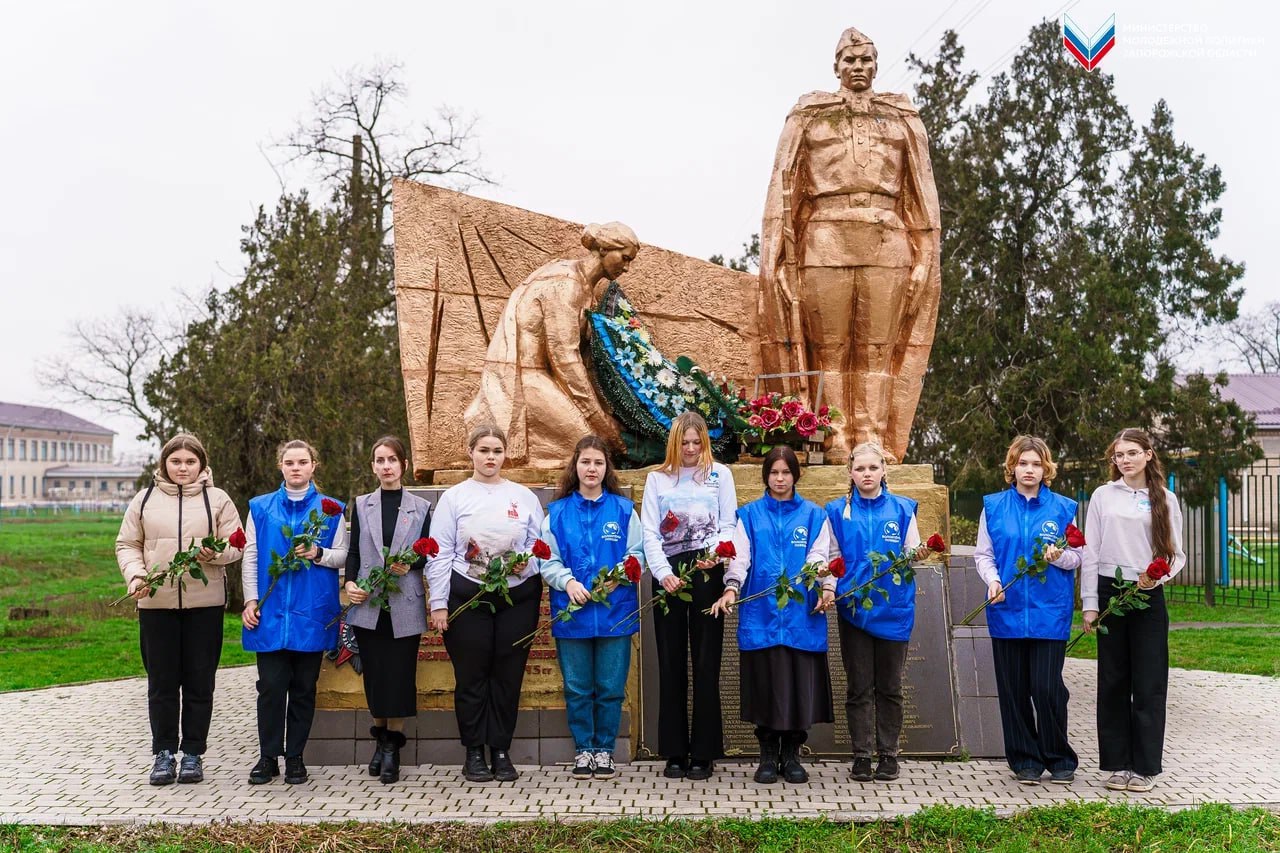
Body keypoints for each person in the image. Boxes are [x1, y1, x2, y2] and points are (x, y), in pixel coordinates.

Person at [758, 26, 941, 462]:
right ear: (836, 66)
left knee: (877, 351)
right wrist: (778, 262)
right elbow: (780, 192)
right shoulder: (809, 115)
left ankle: (873, 437)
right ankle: (834, 434)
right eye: (849, 60)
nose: (858, 67)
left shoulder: (901, 120)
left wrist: (924, 257)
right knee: (831, 349)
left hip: (887, 240)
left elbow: (922, 199)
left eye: (865, 60)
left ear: (876, 65)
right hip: (825, 240)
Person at [115, 433, 244, 786]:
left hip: (205, 606)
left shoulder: (217, 500)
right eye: (176, 461)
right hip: (156, 605)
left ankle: (192, 754)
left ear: (202, 464)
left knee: (200, 681)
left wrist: (214, 554)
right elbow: (127, 543)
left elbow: (237, 543)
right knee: (162, 682)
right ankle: (163, 753)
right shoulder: (143, 500)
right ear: (164, 464)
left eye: (190, 462)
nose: (183, 468)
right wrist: (136, 575)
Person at [464, 222, 639, 467]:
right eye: (625, 257)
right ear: (605, 249)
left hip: (545, 380)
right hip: (525, 379)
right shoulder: (566, 283)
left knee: (597, 446)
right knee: (587, 446)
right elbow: (564, 359)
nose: (627, 267)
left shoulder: (585, 289)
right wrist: (599, 419)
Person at [709, 446, 835, 784]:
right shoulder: (748, 516)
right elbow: (740, 557)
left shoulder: (813, 515)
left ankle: (792, 755)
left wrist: (825, 587)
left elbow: (820, 555)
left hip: (800, 616)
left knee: (797, 689)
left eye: (786, 472)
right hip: (761, 614)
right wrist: (732, 588)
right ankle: (767, 756)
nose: (780, 479)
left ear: (796, 475)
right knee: (765, 688)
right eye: (774, 472)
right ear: (766, 476)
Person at [428, 425, 545, 782]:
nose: (490, 457)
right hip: (468, 596)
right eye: (483, 450)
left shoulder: (523, 496)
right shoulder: (454, 498)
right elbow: (439, 553)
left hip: (517, 598)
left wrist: (530, 561)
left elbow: (540, 545)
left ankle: (501, 750)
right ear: (471, 453)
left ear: (505, 454)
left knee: (507, 677)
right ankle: (474, 752)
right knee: (472, 677)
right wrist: (438, 603)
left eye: (496, 450)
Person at [1081, 428, 1186, 794]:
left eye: (1131, 453)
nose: (1124, 460)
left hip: (1146, 595)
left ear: (1148, 454)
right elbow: (1090, 553)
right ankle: (1118, 764)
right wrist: (1091, 604)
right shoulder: (1102, 497)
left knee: (1148, 683)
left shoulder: (1165, 499)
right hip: (1111, 591)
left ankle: (1144, 768)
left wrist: (1156, 578)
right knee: (1112, 681)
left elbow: (1177, 555)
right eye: (1118, 455)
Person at [973, 436, 1082, 785]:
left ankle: (1058, 756)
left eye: (1036, 464)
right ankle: (1025, 760)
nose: (1029, 470)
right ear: (1012, 467)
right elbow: (984, 555)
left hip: (1049, 611)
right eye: (1023, 463)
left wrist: (1059, 556)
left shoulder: (1064, 508)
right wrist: (992, 581)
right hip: (1007, 609)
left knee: (1047, 687)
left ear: (1046, 468)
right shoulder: (992, 507)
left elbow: (1079, 556)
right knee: (1014, 688)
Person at [241, 440, 349, 786]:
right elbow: (252, 556)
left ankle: (296, 758)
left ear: (314, 465)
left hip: (311, 610)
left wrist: (318, 553)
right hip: (270, 612)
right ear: (281, 466)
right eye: (289, 462)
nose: (296, 467)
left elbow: (343, 556)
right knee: (271, 687)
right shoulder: (260, 508)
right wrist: (250, 600)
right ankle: (267, 756)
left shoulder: (332, 510)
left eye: (303, 461)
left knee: (304, 688)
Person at [538, 435, 644, 780]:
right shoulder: (556, 513)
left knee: (611, 686)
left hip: (615, 613)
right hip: (573, 614)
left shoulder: (623, 510)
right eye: (586, 462)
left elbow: (637, 554)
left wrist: (619, 577)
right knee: (578, 686)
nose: (592, 469)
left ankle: (605, 751)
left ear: (606, 468)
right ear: (576, 466)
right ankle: (584, 749)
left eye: (599, 463)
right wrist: (567, 582)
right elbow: (546, 558)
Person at [641, 410, 738, 780]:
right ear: (675, 443)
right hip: (669, 574)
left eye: (698, 442)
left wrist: (715, 552)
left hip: (707, 572)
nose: (692, 449)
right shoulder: (657, 479)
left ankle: (704, 750)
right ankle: (675, 751)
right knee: (671, 661)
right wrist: (663, 573)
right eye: (685, 443)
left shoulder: (720, 475)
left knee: (705, 661)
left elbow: (727, 522)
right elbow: (650, 532)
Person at [824, 441, 920, 782]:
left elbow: (910, 552)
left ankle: (889, 755)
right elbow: (832, 558)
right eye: (860, 468)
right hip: (853, 611)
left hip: (894, 610)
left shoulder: (903, 510)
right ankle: (862, 756)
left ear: (883, 471)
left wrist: (918, 555)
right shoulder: (836, 512)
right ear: (850, 473)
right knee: (859, 686)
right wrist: (830, 589)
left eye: (873, 468)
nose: (867, 474)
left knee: (890, 686)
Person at [342, 436, 433, 784]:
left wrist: (409, 564)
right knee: (376, 679)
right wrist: (349, 584)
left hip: (403, 604)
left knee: (399, 678)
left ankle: (392, 748)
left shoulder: (421, 507)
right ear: (373, 466)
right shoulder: (362, 504)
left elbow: (428, 552)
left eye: (392, 460)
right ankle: (380, 741)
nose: (386, 466)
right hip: (368, 605)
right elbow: (353, 552)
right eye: (379, 460)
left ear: (404, 465)